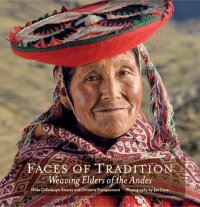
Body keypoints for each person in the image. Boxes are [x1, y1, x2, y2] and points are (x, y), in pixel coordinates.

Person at [0, 0, 200, 206]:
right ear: (64, 94)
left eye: (124, 72)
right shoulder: (32, 179)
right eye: (91, 78)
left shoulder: (174, 170)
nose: (111, 93)